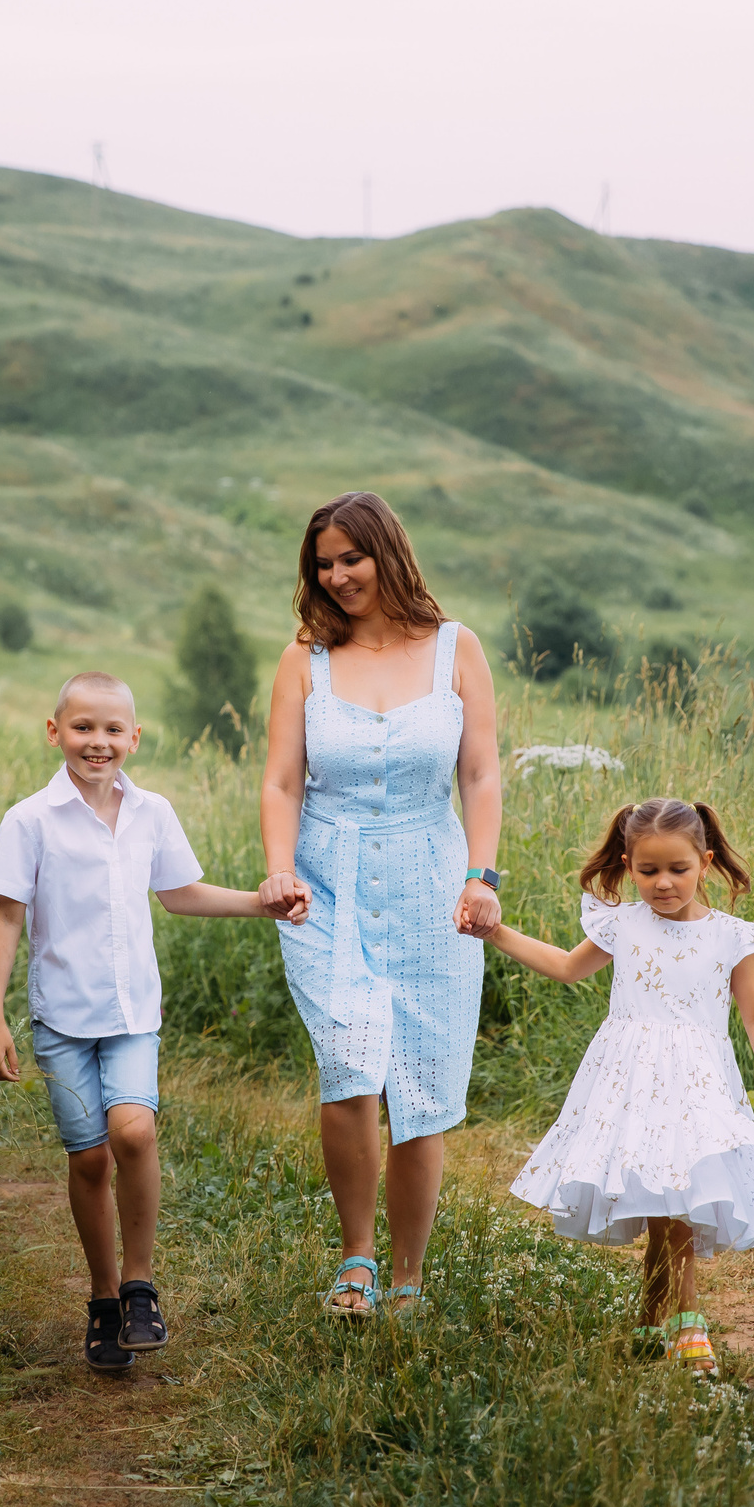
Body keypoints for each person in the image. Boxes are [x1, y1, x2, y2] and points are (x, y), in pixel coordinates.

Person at [0, 671, 306, 1373]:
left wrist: (262, 902)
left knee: (134, 1129)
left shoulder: (152, 812)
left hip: (132, 1014)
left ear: (134, 737)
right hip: (61, 1020)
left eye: (112, 730)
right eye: (82, 728)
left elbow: (181, 894)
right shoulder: (29, 820)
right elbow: (7, 916)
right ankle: (100, 1298)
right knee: (89, 1155)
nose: (98, 742)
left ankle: (138, 1286)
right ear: (54, 731)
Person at [259, 491, 503, 1320]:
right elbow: (283, 780)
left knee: (421, 1082)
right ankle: (355, 1259)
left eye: (350, 559)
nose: (336, 576)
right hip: (328, 882)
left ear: (387, 554)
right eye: (322, 564)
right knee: (350, 1065)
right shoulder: (305, 660)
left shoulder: (456, 649)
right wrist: (279, 869)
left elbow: (480, 773)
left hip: (434, 881)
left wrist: (483, 874)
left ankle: (407, 1277)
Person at [485, 798, 754, 1375]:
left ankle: (664, 1322)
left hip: (699, 1085)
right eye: (648, 870)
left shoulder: (730, 937)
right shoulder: (622, 924)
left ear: (704, 863)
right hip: (631, 1083)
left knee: (675, 1203)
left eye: (678, 870)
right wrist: (496, 930)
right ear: (628, 865)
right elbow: (563, 966)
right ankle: (682, 1323)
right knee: (667, 1204)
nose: (663, 883)